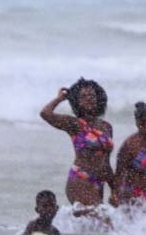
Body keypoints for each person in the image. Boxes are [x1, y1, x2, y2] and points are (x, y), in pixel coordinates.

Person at [39, 79, 115, 215]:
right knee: (103, 221)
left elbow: (106, 163)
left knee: (97, 228)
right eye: (83, 97)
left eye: (92, 95)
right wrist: (60, 98)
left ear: (98, 98)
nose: (89, 99)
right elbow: (45, 114)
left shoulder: (106, 127)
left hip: (99, 183)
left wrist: (114, 190)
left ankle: (63, 224)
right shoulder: (74, 124)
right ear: (77, 101)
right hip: (80, 180)